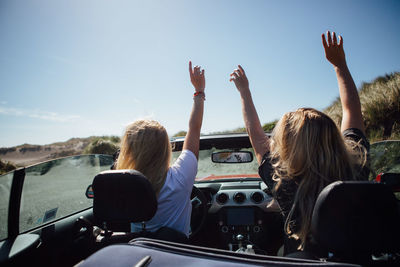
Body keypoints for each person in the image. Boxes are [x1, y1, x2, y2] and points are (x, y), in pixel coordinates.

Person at [230, 31, 369, 254]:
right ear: (334, 137)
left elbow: (255, 135)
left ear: (287, 147)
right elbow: (352, 109)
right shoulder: (356, 168)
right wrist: (339, 64)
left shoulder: (284, 182)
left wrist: (244, 91)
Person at [115, 61, 205, 237]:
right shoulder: (179, 179)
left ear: (128, 150)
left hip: (138, 256)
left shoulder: (121, 185)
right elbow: (194, 129)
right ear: (165, 148)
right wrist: (199, 91)